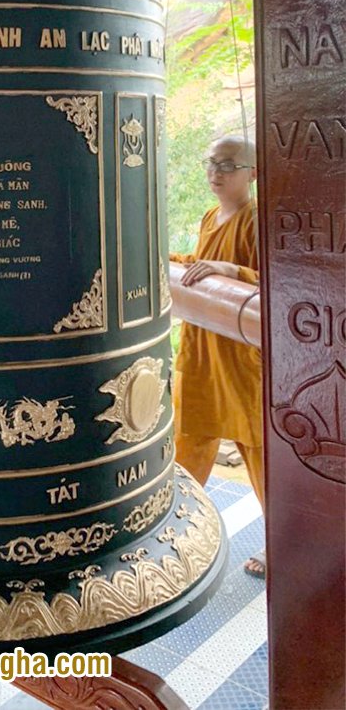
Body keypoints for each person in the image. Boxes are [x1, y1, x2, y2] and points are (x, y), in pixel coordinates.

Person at [170, 135, 265, 578]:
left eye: (228, 165)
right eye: (211, 163)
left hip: (240, 359)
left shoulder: (257, 219)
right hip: (201, 350)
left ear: (253, 173)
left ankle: (282, 541)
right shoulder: (211, 215)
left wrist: (232, 270)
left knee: (259, 451)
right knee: (188, 440)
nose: (216, 172)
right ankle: (173, 527)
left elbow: (275, 281)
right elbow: (201, 265)